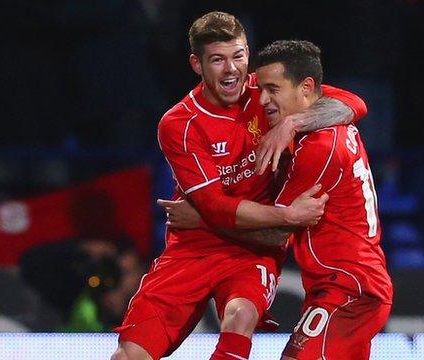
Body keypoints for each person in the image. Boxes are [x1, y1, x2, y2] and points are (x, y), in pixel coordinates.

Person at [111, 11, 367, 360]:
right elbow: (216, 207)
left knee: (240, 317)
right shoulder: (179, 124)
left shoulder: (266, 92)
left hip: (252, 250)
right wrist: (288, 216)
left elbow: (354, 103)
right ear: (197, 64)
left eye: (239, 56)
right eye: (218, 59)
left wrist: (292, 123)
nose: (232, 69)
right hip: (191, 251)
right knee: (130, 355)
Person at [166, 40, 393, 359]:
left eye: (273, 89)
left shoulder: (318, 148)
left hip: (348, 286)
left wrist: (201, 219)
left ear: (306, 87)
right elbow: (354, 103)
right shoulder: (330, 125)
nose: (263, 99)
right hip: (348, 281)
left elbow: (275, 231)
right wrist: (292, 122)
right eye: (261, 90)